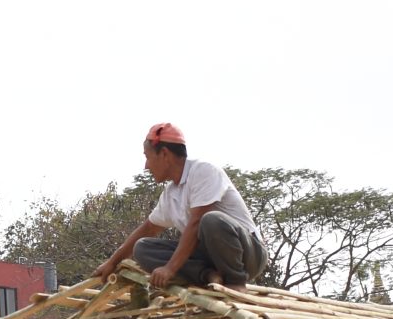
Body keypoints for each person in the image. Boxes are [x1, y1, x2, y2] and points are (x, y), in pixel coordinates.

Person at [93, 123, 269, 290]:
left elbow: (196, 222)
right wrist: (112, 262)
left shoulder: (203, 171)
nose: (146, 166)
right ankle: (208, 275)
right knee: (142, 248)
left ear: (164, 154)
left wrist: (170, 269)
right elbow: (148, 229)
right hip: (213, 259)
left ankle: (236, 281)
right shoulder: (170, 194)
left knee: (211, 220)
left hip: (248, 255)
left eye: (147, 157)